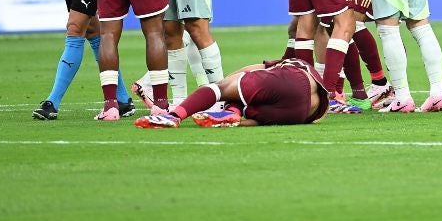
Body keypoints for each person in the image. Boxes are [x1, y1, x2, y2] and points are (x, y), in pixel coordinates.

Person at [134, 58, 329, 128]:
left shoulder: (285, 64)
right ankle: (233, 116)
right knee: (246, 109)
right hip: (305, 113)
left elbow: (252, 69)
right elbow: (259, 121)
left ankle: (174, 116)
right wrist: (240, 121)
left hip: (294, 81)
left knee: (221, 89)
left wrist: (225, 84)